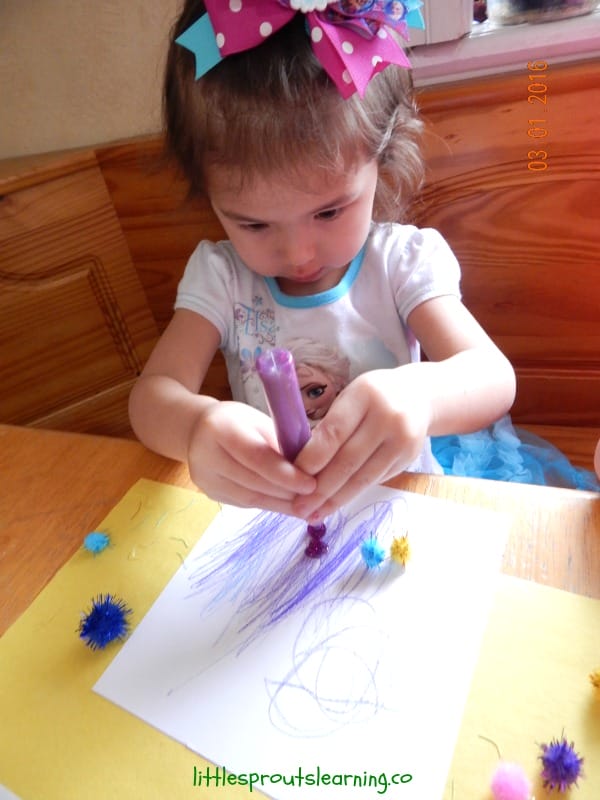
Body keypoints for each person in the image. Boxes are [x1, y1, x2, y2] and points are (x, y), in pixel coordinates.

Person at [128, 0, 516, 522]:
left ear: (382, 156)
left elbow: (493, 377)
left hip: (404, 515)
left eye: (329, 211)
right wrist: (196, 427)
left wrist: (420, 396)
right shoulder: (222, 279)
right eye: (254, 224)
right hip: (274, 528)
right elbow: (151, 398)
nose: (298, 253)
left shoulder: (399, 263)